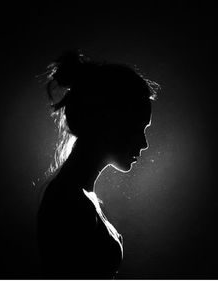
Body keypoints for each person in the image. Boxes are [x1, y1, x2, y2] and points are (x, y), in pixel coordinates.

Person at [37, 50, 159, 279]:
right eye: (137, 129)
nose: (144, 144)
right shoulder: (69, 201)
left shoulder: (78, 195)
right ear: (108, 123)